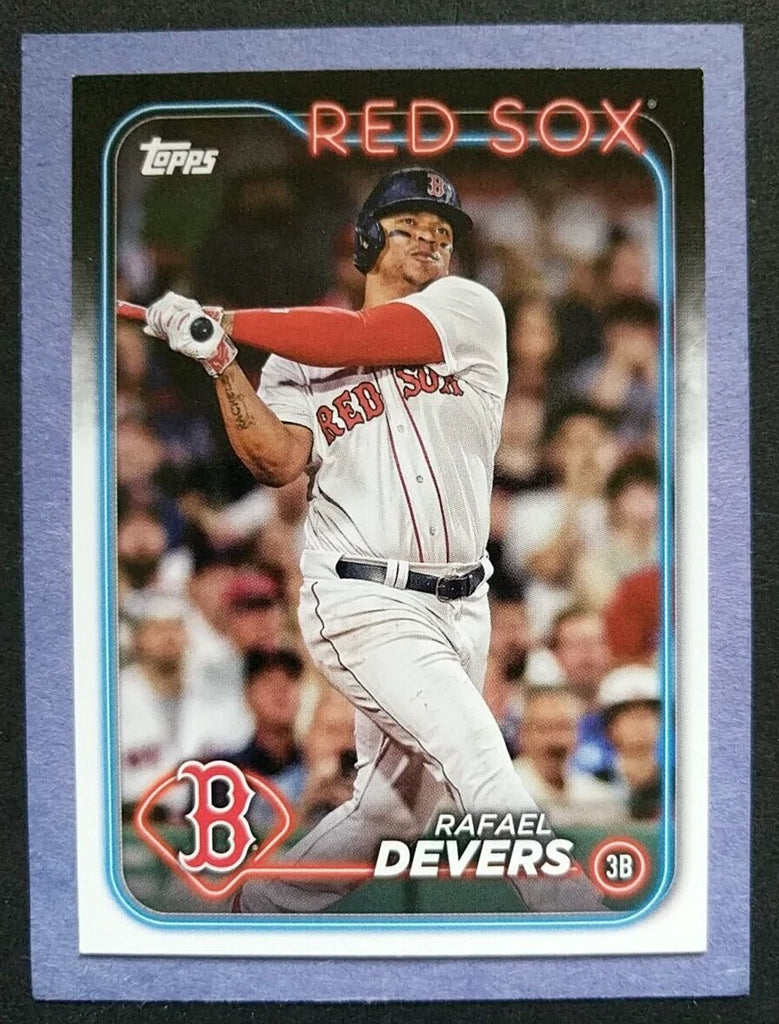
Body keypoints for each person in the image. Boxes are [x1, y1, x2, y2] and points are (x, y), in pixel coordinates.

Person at [142, 165, 603, 913]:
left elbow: (362, 335)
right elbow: (276, 461)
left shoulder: (468, 308)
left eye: (441, 231)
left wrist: (225, 319)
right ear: (363, 241)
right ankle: (581, 922)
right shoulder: (293, 359)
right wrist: (221, 362)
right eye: (407, 225)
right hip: (362, 597)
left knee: (393, 814)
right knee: (478, 756)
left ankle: (250, 914)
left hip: (464, 601)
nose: (428, 238)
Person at [513, 687, 627, 828]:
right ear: (523, 735)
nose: (555, 740)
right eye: (544, 729)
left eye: (564, 728)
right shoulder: (504, 791)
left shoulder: (599, 797)